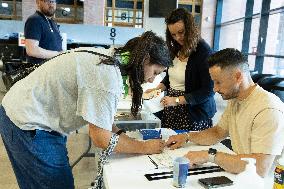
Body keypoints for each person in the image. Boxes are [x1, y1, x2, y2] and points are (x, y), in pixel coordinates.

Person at [0, 31, 172, 189]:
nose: (151, 80)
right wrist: (143, 147)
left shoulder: (111, 58)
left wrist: (120, 135)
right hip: (27, 122)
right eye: (155, 72)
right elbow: (101, 139)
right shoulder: (108, 75)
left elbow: (100, 114)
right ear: (145, 59)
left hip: (27, 113)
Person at [165, 48, 284, 177]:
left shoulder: (268, 110)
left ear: (238, 77)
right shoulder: (236, 99)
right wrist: (186, 137)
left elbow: (260, 168)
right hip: (242, 175)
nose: (215, 89)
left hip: (262, 182)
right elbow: (218, 132)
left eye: (218, 82)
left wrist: (209, 155)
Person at [144, 8, 216, 131]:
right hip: (172, 107)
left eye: (181, 32)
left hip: (194, 112)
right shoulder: (177, 49)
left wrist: (177, 100)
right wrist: (157, 89)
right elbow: (172, 76)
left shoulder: (204, 52)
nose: (177, 37)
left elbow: (208, 90)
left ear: (191, 29)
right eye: (173, 34)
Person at [24, 0, 62, 64]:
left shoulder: (53, 22)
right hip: (40, 71)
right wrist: (58, 54)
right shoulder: (34, 20)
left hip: (53, 69)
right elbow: (32, 50)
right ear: (38, 2)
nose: (51, 4)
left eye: (53, 1)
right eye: (47, 1)